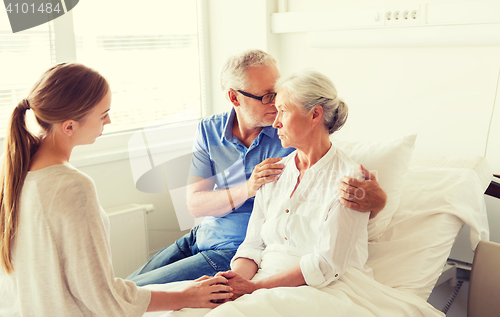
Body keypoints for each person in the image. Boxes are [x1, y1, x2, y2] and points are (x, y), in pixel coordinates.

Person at [0, 63, 232, 317]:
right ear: (70, 126)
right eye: (104, 114)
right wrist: (186, 296)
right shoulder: (72, 186)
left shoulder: (16, 173)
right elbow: (104, 298)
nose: (108, 122)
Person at [126, 49, 386, 286]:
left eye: (279, 96)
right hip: (201, 236)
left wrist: (378, 201)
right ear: (234, 97)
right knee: (116, 290)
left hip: (234, 250)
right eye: (267, 97)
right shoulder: (210, 130)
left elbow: (326, 177)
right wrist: (248, 188)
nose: (276, 106)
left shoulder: (290, 137)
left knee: (131, 296)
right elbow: (195, 204)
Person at [218, 69, 371, 298]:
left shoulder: (351, 182)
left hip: (320, 291)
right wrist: (233, 282)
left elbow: (326, 266)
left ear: (314, 115)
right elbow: (252, 247)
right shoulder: (273, 172)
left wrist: (253, 288)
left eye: (283, 111)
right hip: (262, 283)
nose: (275, 123)